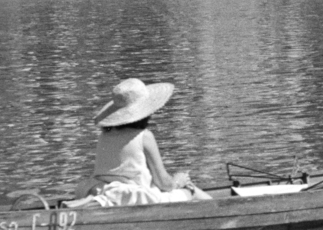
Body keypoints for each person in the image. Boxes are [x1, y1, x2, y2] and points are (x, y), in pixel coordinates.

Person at [64, 78, 213, 207]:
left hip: (102, 190)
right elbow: (164, 184)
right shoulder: (144, 136)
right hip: (135, 198)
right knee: (191, 191)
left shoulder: (104, 135)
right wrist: (178, 181)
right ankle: (228, 210)